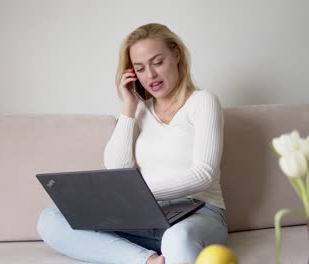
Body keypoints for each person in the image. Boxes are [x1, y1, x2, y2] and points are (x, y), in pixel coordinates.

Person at [37, 23, 227, 264]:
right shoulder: (140, 112)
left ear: (176, 54)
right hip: (146, 217)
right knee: (50, 218)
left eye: (158, 62)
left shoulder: (203, 101)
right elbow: (118, 169)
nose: (150, 75)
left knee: (177, 239)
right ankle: (146, 261)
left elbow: (204, 174)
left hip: (199, 214)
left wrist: (136, 196)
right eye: (140, 68)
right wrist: (128, 108)